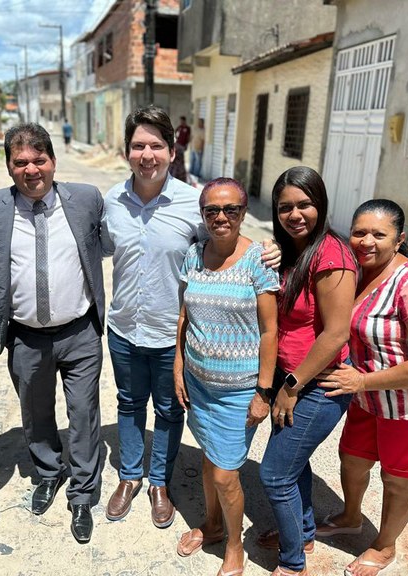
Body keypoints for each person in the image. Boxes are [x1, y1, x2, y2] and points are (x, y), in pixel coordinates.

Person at [101, 106, 280, 530]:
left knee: (167, 410)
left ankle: (158, 483)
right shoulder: (111, 200)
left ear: (172, 150)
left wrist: (271, 250)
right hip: (124, 327)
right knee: (128, 404)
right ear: (127, 151)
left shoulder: (191, 203)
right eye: (138, 146)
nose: (148, 154)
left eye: (156, 146)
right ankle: (129, 476)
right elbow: (103, 250)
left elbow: (227, 239)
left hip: (170, 333)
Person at [0, 123, 104, 544]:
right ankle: (49, 472)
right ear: (9, 167)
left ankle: (83, 494)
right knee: (36, 413)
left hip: (80, 332)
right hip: (26, 336)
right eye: (21, 162)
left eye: (39, 160)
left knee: (83, 413)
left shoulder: (85, 199)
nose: (32, 169)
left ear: (53, 161)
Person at [317, 199, 408, 576]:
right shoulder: (359, 271)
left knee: (397, 477)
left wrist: (361, 379)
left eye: (380, 234)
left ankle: (385, 544)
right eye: (359, 232)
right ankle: (350, 516)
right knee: (353, 459)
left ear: (399, 239)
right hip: (368, 397)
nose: (367, 241)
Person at [174, 178, 279, 576]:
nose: (220, 217)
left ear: (242, 212)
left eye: (230, 210)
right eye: (211, 211)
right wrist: (178, 366)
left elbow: (271, 331)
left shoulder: (258, 261)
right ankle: (213, 525)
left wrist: (263, 393)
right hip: (199, 384)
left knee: (224, 472)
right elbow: (185, 317)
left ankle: (234, 546)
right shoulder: (194, 255)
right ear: (202, 215)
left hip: (239, 391)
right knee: (208, 458)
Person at [258, 166, 357, 576]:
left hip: (317, 383)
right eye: (285, 208)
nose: (295, 214)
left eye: (305, 205)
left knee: (274, 474)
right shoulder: (294, 249)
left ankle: (292, 563)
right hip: (292, 377)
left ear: (321, 204)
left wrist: (292, 386)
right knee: (293, 462)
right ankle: (302, 532)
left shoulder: (331, 254)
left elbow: (335, 334)